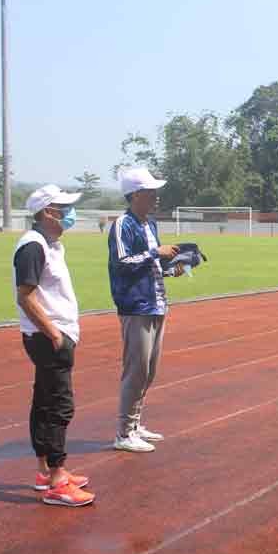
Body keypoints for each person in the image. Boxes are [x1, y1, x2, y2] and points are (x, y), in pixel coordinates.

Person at [14, 185, 94, 507]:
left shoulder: (50, 244)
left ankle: (45, 471)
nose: (70, 213)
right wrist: (54, 334)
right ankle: (58, 480)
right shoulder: (33, 247)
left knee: (45, 400)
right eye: (64, 207)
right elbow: (26, 295)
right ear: (48, 212)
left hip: (50, 336)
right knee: (60, 405)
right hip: (48, 338)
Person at [109, 167, 181, 453]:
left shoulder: (150, 224)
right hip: (136, 306)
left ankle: (135, 424)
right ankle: (124, 432)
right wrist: (155, 253)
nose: (156, 197)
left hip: (156, 303)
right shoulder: (122, 224)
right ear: (136, 194)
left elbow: (151, 265)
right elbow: (121, 261)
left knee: (150, 370)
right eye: (152, 192)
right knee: (136, 370)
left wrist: (170, 268)